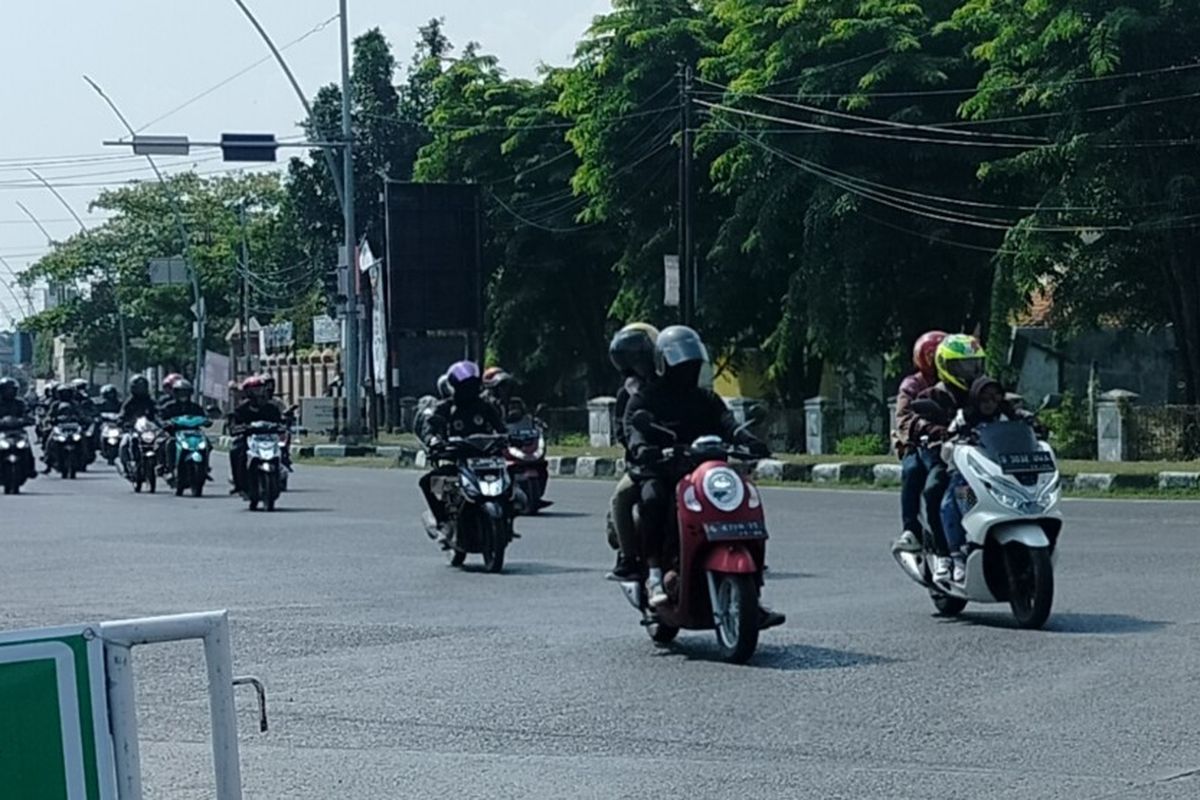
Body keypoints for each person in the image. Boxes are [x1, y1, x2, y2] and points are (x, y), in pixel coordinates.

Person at [624, 326, 770, 608]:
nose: (686, 370)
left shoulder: (706, 399)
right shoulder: (645, 399)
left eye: (691, 365)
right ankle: (654, 573)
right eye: (680, 364)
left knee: (744, 498)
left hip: (706, 472)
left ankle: (755, 585)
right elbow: (634, 430)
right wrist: (643, 447)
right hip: (665, 470)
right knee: (652, 498)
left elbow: (728, 423)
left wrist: (748, 439)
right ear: (663, 364)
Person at [911, 333, 987, 582]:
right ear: (945, 367)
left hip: (984, 458)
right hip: (948, 460)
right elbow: (916, 420)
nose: (968, 371)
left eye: (973, 364)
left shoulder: (984, 390)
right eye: (961, 366)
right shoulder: (933, 396)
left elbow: (1006, 403)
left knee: (982, 497)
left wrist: (1028, 419)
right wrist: (934, 429)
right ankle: (946, 553)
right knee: (936, 491)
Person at [939, 376, 1025, 583]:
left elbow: (1023, 430)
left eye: (994, 399)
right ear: (976, 399)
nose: (989, 403)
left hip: (1001, 472)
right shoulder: (964, 416)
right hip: (969, 474)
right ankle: (958, 553)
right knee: (954, 502)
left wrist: (1034, 426)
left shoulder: (1007, 416)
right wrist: (952, 437)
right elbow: (949, 435)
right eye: (984, 398)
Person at [418, 361, 506, 539]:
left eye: (472, 385)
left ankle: (507, 516)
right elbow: (430, 429)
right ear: (455, 387)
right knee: (429, 482)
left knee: (511, 484)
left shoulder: (485, 406)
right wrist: (433, 440)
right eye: (464, 386)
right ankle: (442, 521)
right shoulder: (446, 408)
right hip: (459, 464)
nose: (469, 390)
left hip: (487, 461)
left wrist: (509, 437)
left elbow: (501, 428)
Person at [605, 322, 659, 581]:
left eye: (641, 357)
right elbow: (623, 430)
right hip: (646, 462)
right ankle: (628, 557)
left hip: (685, 458)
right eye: (632, 359)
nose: (638, 364)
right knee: (621, 498)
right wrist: (639, 446)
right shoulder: (628, 394)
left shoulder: (674, 383)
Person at [891, 331, 946, 554]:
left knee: (967, 483)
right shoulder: (913, 385)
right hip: (920, 443)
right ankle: (911, 529)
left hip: (957, 445)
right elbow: (903, 418)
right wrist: (927, 428)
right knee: (913, 471)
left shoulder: (962, 381)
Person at [228, 375, 283, 495]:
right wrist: (239, 428)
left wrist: (283, 426)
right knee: (235, 450)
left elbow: (280, 421)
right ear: (248, 392)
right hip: (249, 439)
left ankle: (281, 476)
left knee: (282, 449)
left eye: (259, 389)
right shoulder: (242, 408)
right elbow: (234, 424)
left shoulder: (271, 407)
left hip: (269, 439)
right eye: (254, 390)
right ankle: (239, 483)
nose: (257, 393)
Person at [0, 377, 35, 480]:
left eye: (11, 389)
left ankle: (30, 468)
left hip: (18, 431)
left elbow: (28, 414)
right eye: (6, 389)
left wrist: (28, 420)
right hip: (1, 431)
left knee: (27, 447)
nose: (9, 392)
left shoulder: (20, 403)